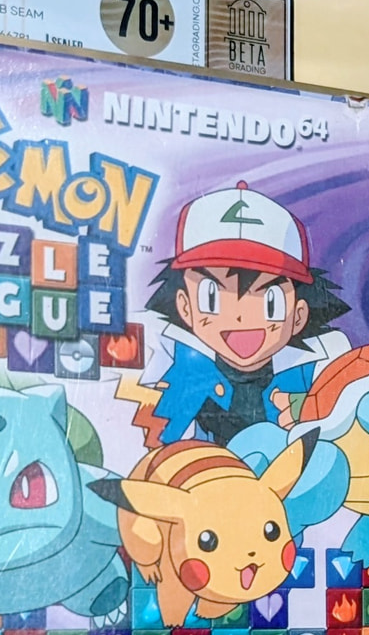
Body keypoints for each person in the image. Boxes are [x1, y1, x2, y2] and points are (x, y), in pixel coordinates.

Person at [141, 183, 351, 445]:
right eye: (212, 298)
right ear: (184, 306)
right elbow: (158, 443)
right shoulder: (184, 364)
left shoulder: (317, 366)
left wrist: (306, 410)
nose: (240, 316)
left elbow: (346, 429)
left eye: (270, 301)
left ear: (299, 315)